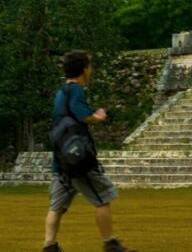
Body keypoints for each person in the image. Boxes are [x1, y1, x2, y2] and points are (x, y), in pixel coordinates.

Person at [43, 50, 136, 252]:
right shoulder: (76, 90)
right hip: (78, 160)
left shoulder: (60, 91)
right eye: (89, 66)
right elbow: (82, 114)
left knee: (56, 206)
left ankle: (49, 245)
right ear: (84, 69)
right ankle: (110, 243)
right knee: (102, 198)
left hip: (61, 159)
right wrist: (98, 116)